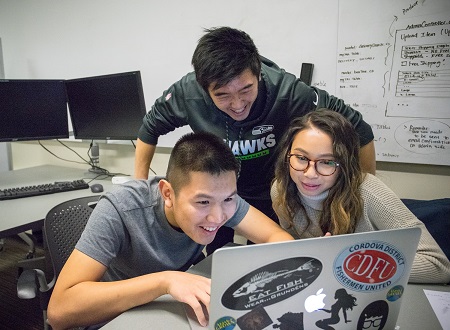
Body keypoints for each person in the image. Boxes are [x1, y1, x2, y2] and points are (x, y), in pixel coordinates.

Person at [135, 26, 376, 254]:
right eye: (223, 96)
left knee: (263, 254)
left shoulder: (288, 91)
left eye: (246, 90)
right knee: (215, 254)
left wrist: (361, 189)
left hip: (269, 192)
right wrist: (139, 186)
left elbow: (360, 129)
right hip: (217, 192)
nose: (238, 105)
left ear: (258, 74)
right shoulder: (186, 93)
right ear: (204, 89)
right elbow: (149, 128)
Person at [47, 132, 294, 330]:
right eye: (202, 203)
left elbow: (277, 238)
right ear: (168, 194)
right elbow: (60, 311)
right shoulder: (119, 209)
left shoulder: (220, 197)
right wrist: (164, 281)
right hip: (115, 317)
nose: (218, 217)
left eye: (229, 199)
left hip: (168, 309)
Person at [271, 109, 450, 284]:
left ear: (345, 164)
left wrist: (348, 261)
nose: (309, 174)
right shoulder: (281, 190)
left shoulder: (370, 193)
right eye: (301, 158)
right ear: (288, 155)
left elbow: (438, 265)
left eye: (327, 162)